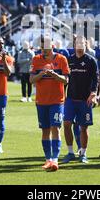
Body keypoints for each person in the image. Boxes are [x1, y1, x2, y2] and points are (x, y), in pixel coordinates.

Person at [30, 36, 70, 172]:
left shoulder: (61, 59)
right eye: (42, 46)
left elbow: (66, 80)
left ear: (52, 45)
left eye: (46, 45)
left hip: (57, 101)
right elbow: (32, 79)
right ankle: (47, 160)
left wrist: (55, 75)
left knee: (56, 128)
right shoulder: (36, 59)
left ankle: (55, 160)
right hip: (41, 101)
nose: (43, 48)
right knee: (45, 130)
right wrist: (41, 74)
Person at [61, 36, 98, 164]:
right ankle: (70, 152)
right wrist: (63, 95)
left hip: (85, 100)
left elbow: (96, 79)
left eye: (82, 43)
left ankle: (83, 153)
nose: (80, 45)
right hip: (71, 98)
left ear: (86, 44)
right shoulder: (68, 60)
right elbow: (64, 80)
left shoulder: (91, 61)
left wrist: (93, 94)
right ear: (74, 44)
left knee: (84, 127)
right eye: (78, 43)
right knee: (66, 124)